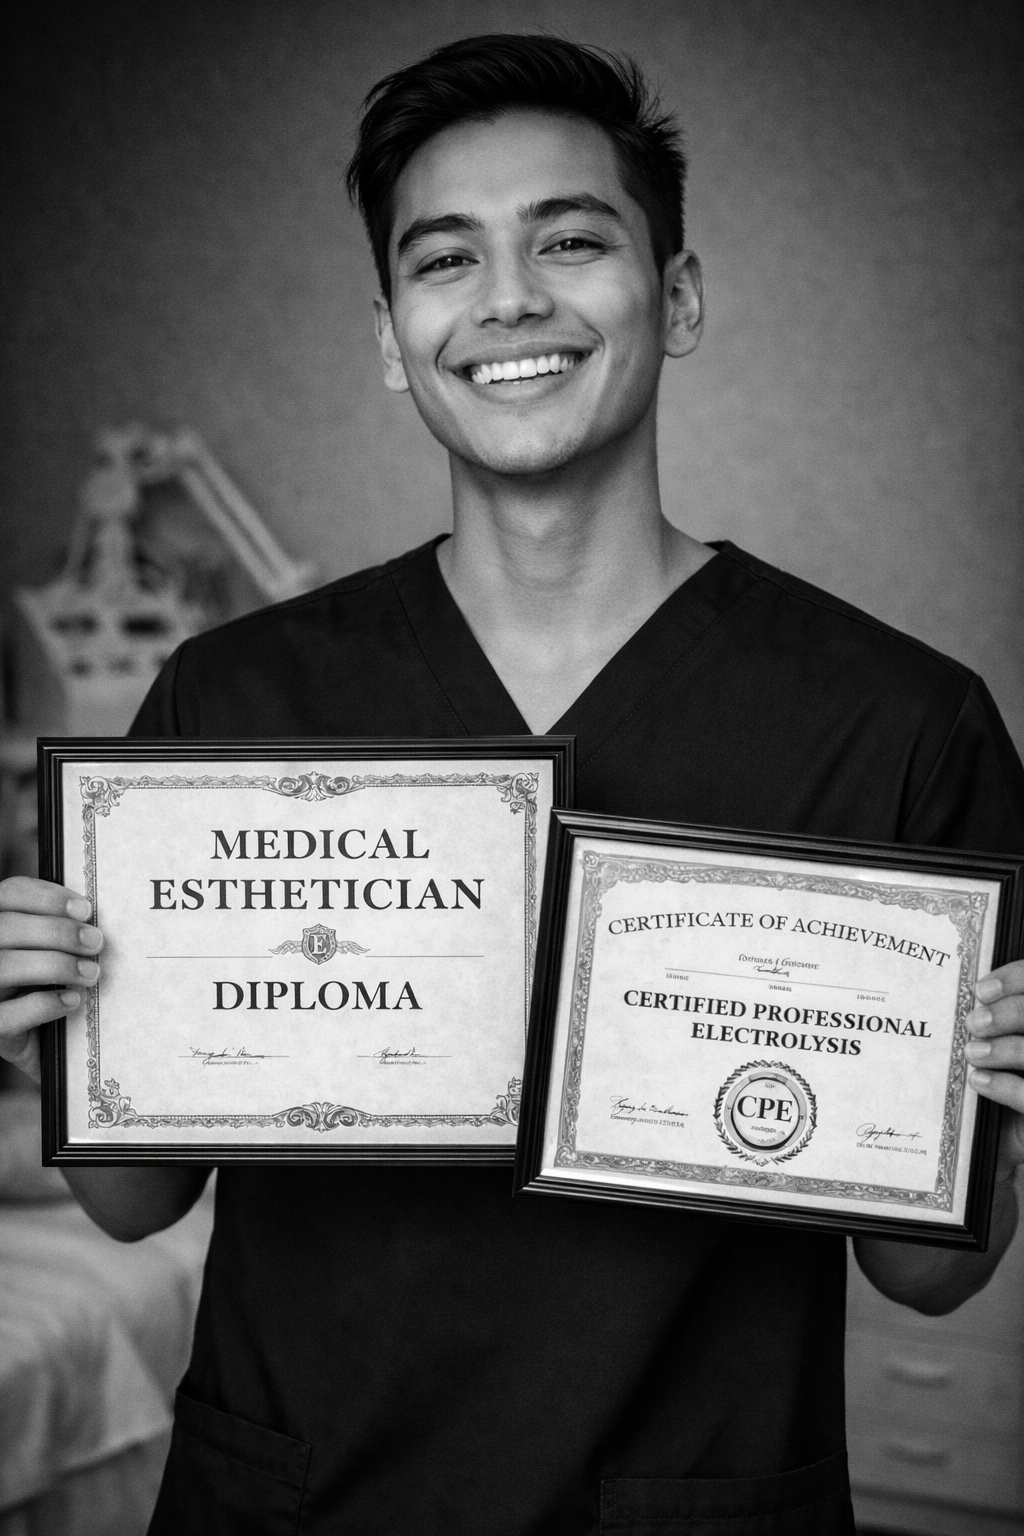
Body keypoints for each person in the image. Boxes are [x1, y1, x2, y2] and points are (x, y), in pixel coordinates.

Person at [2, 34, 1023, 1535]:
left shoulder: (903, 724)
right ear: (390, 332)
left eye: (572, 239)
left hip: (694, 1507)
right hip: (292, 1501)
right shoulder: (228, 704)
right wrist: (43, 1028)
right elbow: (141, 1204)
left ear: (674, 297)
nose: (510, 301)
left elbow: (929, 1278)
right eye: (446, 260)